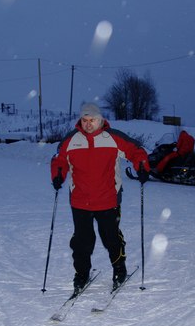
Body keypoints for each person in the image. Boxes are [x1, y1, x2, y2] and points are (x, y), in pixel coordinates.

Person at [51, 103, 150, 293]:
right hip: (80, 200)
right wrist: (57, 175)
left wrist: (142, 165)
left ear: (100, 120)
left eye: (92, 120)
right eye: (85, 120)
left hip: (108, 198)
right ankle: (82, 274)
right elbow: (59, 160)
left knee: (111, 237)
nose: (88, 124)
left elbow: (136, 151)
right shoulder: (70, 140)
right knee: (82, 241)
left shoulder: (113, 137)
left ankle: (119, 269)